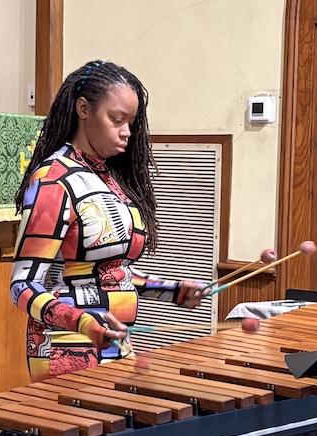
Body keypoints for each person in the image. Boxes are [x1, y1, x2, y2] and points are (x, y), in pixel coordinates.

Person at [10, 60, 203, 382]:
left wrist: (172, 291)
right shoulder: (53, 181)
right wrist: (84, 322)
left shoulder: (110, 179)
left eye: (131, 122)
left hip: (116, 340)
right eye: (117, 120)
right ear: (83, 109)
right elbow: (22, 286)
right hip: (66, 345)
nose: (126, 132)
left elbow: (111, 274)